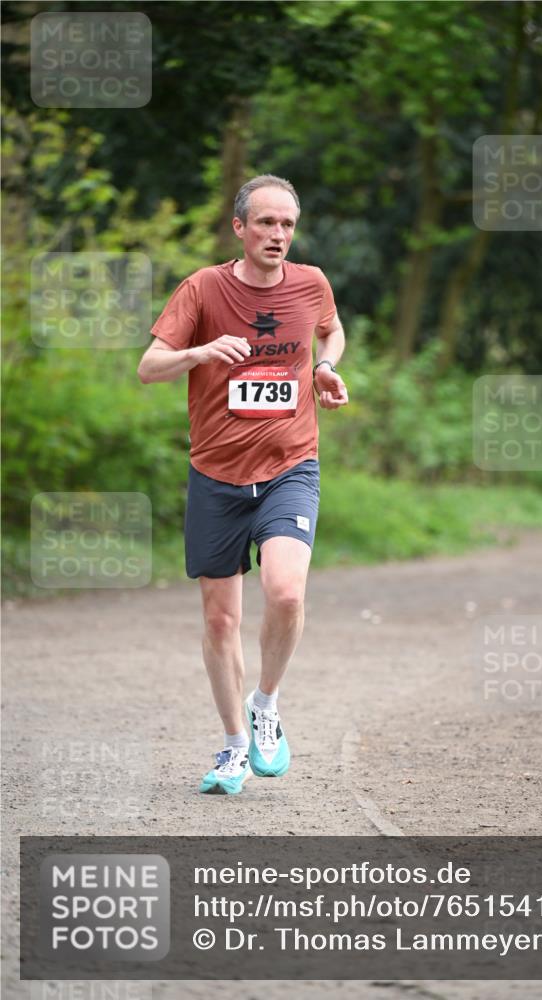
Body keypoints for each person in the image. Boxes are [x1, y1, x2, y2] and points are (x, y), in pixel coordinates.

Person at [138, 174, 348, 794]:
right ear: (240, 228)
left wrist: (327, 366)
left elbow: (329, 330)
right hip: (215, 477)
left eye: (286, 224)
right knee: (221, 621)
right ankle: (234, 746)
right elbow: (149, 367)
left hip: (290, 466)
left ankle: (266, 703)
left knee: (285, 592)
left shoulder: (311, 284)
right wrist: (200, 354)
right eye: (265, 223)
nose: (277, 234)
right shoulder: (203, 288)